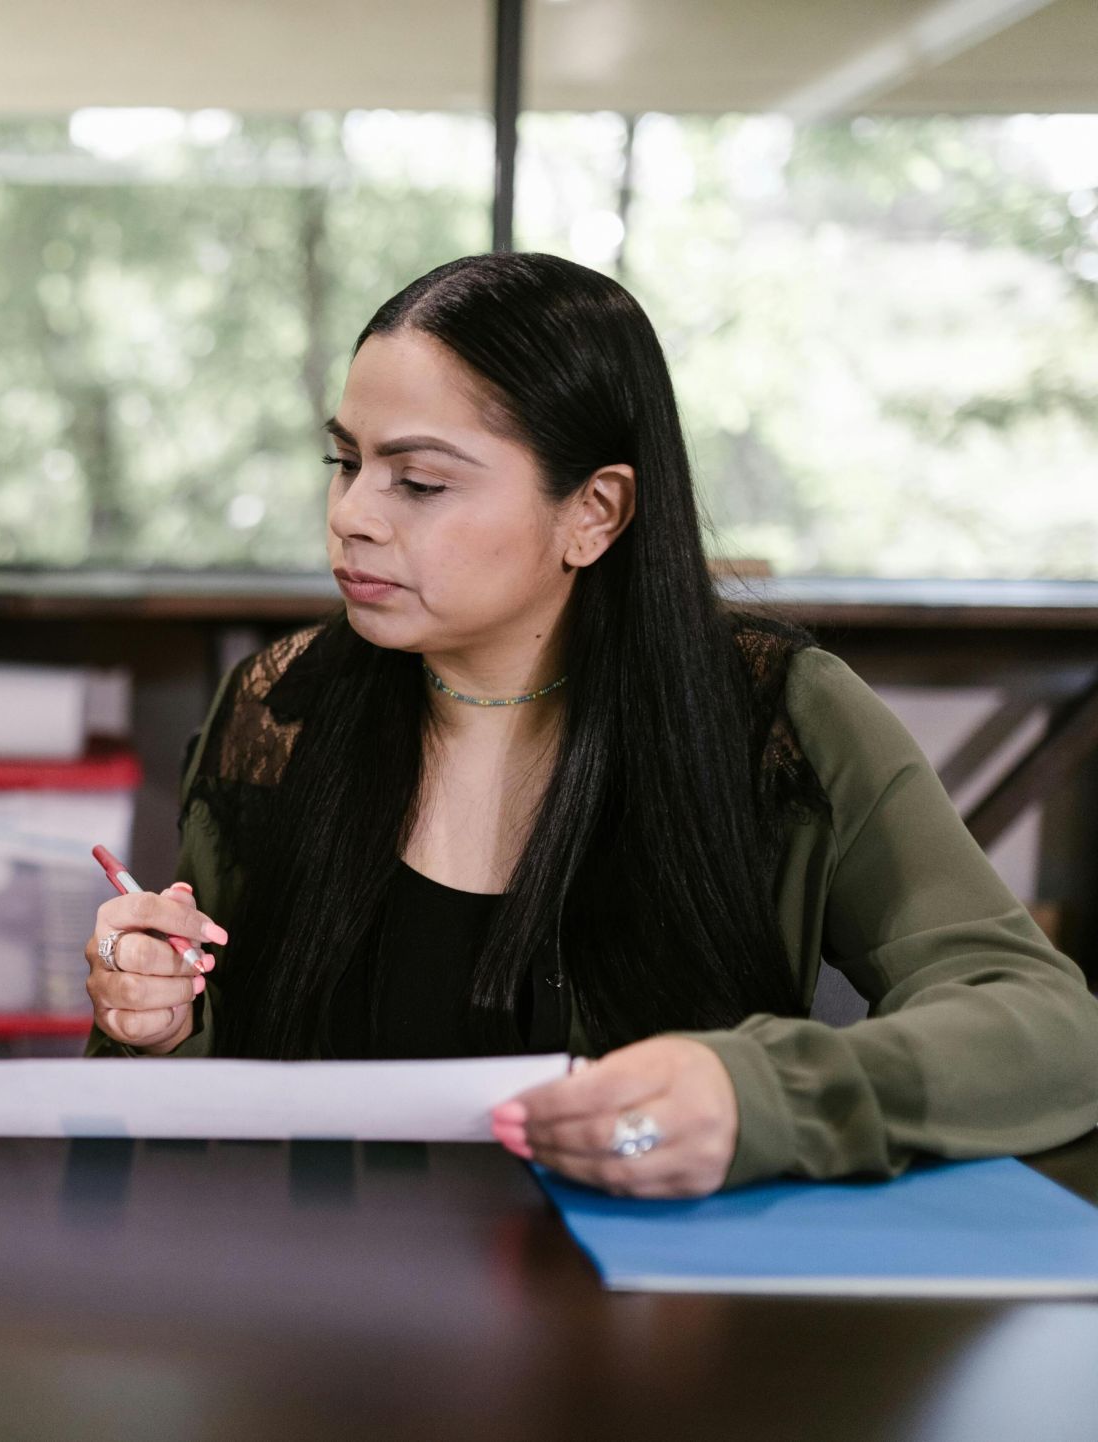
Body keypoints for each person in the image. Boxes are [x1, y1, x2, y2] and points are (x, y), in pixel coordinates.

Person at [84, 252, 1098, 1196]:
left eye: (420, 480)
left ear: (596, 512)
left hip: (662, 1341)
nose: (353, 512)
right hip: (327, 1327)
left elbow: (1051, 1029)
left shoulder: (776, 712)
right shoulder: (281, 706)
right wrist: (161, 1021)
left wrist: (757, 1094)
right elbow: (213, 1097)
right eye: (343, 461)